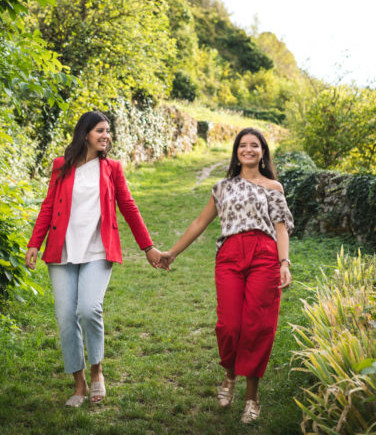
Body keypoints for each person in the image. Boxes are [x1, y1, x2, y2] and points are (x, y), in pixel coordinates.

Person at [25, 110, 165, 408]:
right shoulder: (61, 166)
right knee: (65, 318)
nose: (106, 136)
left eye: (108, 131)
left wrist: (148, 247)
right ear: (85, 133)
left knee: (88, 309)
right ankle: (79, 384)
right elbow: (49, 206)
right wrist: (34, 243)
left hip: (98, 251)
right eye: (100, 130)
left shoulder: (112, 168)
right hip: (62, 251)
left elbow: (129, 207)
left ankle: (98, 371)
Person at [161, 127, 293, 424]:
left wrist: (284, 263)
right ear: (236, 152)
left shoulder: (274, 187)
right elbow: (199, 223)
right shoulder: (223, 187)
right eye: (243, 145)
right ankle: (230, 375)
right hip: (230, 256)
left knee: (259, 325)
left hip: (264, 255)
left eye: (254, 145)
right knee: (230, 325)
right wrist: (172, 253)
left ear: (262, 152)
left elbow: (281, 227)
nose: (248, 149)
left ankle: (252, 397)